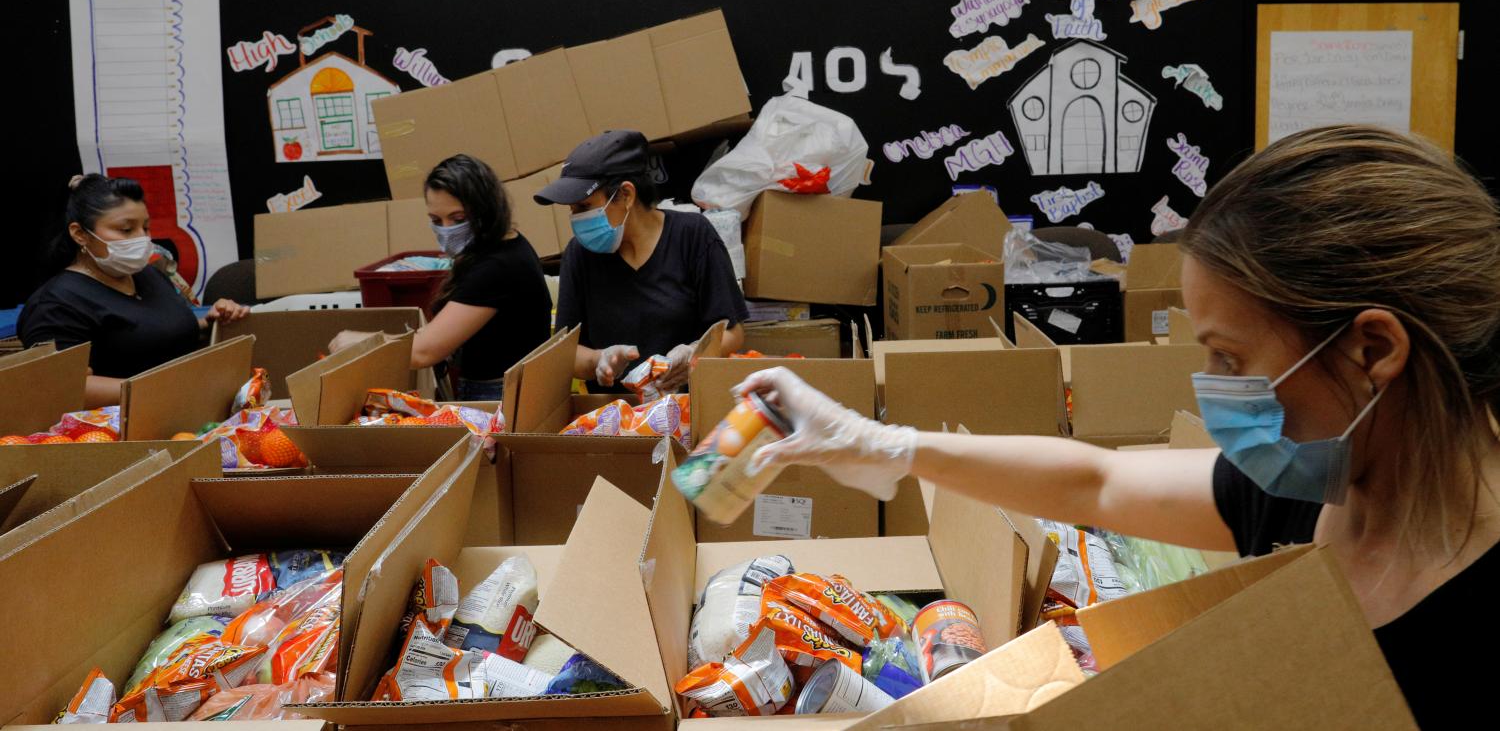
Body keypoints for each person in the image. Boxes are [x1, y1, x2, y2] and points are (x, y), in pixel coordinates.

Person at [733, 126, 1499, 728]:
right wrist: (883, 444)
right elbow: (1096, 480)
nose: (1214, 391)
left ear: (1373, 350)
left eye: (1230, 358)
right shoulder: (1310, 490)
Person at [536, 130, 747, 392]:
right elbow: (565, 352)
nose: (576, 218)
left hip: (688, 412)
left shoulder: (692, 236)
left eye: (584, 206)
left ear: (626, 194)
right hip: (613, 421)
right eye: (572, 210)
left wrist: (694, 353)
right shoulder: (579, 255)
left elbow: (732, 332)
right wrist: (599, 361)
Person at [329, 154, 552, 400]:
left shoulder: (497, 267)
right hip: (504, 389)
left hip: (500, 395)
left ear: (486, 209)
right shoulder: (506, 244)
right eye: (436, 220)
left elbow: (425, 352)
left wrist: (364, 343)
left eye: (458, 219)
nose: (446, 230)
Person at [19, 174, 251, 405]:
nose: (142, 238)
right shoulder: (55, 305)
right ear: (80, 234)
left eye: (146, 228)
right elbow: (62, 388)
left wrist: (212, 323)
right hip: (118, 429)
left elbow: (154, 333)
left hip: (187, 411)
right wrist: (167, 389)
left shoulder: (147, 275)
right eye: (126, 230)